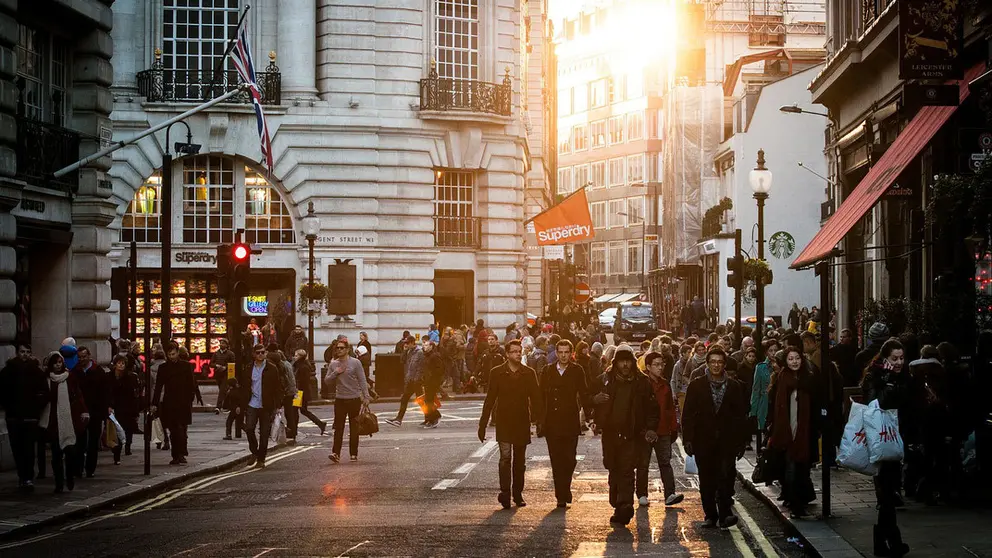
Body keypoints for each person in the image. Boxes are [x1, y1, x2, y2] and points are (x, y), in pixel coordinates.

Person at [682, 346, 748, 529]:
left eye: (719, 362)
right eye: (713, 362)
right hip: (704, 440)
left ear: (724, 364)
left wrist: (742, 441)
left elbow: (740, 415)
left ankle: (726, 513)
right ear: (707, 364)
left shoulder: (734, 386)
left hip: (727, 441)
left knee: (726, 476)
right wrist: (688, 438)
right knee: (707, 478)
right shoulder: (697, 385)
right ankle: (710, 515)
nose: (716, 365)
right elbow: (688, 413)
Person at [593, 344, 659, 525]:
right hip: (610, 434)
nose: (625, 365)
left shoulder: (642, 382)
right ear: (616, 362)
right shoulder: (605, 380)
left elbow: (653, 409)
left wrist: (651, 428)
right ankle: (617, 503)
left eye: (628, 361)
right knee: (613, 468)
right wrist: (594, 404)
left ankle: (625, 505)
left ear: (632, 362)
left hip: (632, 435)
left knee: (627, 471)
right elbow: (590, 398)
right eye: (621, 361)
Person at [861, 339, 912, 557]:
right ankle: (890, 542)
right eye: (894, 358)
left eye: (902, 358)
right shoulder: (875, 376)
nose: (899, 362)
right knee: (887, 494)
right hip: (881, 441)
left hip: (898, 439)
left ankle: (883, 543)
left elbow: (909, 407)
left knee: (889, 494)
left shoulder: (904, 376)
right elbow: (876, 405)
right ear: (884, 358)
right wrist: (889, 381)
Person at [478, 340, 542, 509]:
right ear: (507, 354)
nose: (517, 354)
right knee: (505, 458)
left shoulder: (528, 373)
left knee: (519, 461)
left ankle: (518, 494)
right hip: (504, 421)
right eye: (513, 351)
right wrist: (482, 424)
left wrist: (540, 421)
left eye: (519, 351)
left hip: (522, 421)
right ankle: (505, 493)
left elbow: (536, 399)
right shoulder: (497, 373)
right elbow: (490, 399)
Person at [766, 346, 819, 518]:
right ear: (786, 362)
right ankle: (795, 504)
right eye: (791, 359)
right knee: (790, 470)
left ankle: (799, 503)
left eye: (797, 358)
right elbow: (775, 407)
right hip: (786, 432)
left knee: (802, 469)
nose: (794, 361)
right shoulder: (782, 379)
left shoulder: (809, 379)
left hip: (805, 432)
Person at [538, 339, 591, 508]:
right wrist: (539, 419)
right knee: (556, 459)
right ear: (556, 353)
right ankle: (561, 495)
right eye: (560, 352)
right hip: (552, 422)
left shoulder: (577, 370)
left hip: (570, 420)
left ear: (571, 353)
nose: (563, 355)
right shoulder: (547, 370)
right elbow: (540, 395)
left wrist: (589, 416)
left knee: (569, 459)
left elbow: (584, 393)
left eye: (566, 352)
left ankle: (565, 487)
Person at [638, 351, 685, 507]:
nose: (660, 368)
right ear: (649, 366)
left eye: (662, 364)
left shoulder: (665, 384)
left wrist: (673, 428)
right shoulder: (641, 384)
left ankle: (669, 494)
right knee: (643, 464)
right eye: (656, 365)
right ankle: (642, 494)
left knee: (665, 463)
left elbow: (670, 409)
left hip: (663, 430)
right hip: (645, 431)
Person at [0, 345, 48, 490]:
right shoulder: (8, 371)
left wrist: (37, 405)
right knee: (17, 448)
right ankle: (22, 476)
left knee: (28, 448)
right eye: (22, 352)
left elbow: (44, 392)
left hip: (31, 416)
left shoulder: (36, 371)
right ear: (17, 353)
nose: (25, 355)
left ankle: (28, 477)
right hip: (14, 416)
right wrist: (8, 405)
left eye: (27, 352)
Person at [151, 343, 198, 465]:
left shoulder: (186, 366)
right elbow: (158, 386)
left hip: (183, 402)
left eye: (174, 354)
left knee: (182, 430)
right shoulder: (163, 368)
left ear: (178, 352)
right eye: (169, 354)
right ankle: (176, 455)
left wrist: (190, 399)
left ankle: (182, 453)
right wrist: (154, 403)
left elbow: (191, 384)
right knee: (173, 431)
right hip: (169, 403)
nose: (172, 356)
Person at [324, 339, 370, 463]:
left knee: (354, 428)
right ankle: (336, 453)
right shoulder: (333, 364)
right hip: (340, 399)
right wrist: (335, 372)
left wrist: (366, 397)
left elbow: (362, 380)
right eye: (337, 348)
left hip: (354, 399)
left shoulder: (355, 363)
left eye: (342, 348)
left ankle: (353, 454)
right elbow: (327, 380)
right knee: (338, 428)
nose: (339, 350)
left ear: (347, 349)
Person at [71, 345, 111, 478]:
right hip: (80, 412)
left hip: (95, 412)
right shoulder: (75, 372)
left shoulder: (98, 371)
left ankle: (90, 469)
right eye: (80, 357)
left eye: (84, 356)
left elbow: (104, 393)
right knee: (79, 442)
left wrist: (104, 412)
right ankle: (78, 469)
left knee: (93, 442)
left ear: (89, 356)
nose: (82, 359)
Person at [241, 344, 282, 468]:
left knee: (264, 434)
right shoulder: (248, 368)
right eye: (258, 352)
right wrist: (240, 405)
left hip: (266, 405)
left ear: (266, 354)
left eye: (262, 352)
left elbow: (278, 388)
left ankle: (261, 459)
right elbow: (244, 388)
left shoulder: (272, 368)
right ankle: (254, 452)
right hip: (252, 404)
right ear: (253, 354)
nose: (260, 355)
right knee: (249, 428)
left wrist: (278, 406)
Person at [386, 337, 425, 427]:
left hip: (416, 381)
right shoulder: (409, 351)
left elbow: (421, 368)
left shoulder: (419, 352)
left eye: (407, 343)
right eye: (405, 343)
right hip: (410, 380)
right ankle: (399, 419)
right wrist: (404, 351)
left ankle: (430, 417)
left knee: (420, 401)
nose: (405, 345)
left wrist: (417, 379)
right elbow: (402, 360)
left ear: (412, 342)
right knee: (405, 399)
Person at [110, 354, 141, 465]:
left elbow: (134, 394)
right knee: (117, 431)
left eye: (123, 363)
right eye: (119, 363)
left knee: (128, 429)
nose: (121, 365)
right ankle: (116, 454)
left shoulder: (130, 377)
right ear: (115, 364)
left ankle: (128, 446)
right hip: (115, 408)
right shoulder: (110, 376)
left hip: (128, 407)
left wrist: (136, 411)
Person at [750, 339, 780, 450]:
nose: (773, 353)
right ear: (766, 352)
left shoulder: (783, 366)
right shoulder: (760, 367)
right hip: (764, 403)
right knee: (764, 431)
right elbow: (756, 389)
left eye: (776, 350)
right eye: (770, 350)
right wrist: (753, 411)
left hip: (778, 402)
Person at [293, 349, 326, 435]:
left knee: (297, 411)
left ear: (300, 356)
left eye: (296, 355)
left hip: (300, 393)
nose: (294, 357)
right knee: (301, 411)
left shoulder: (303, 367)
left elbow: (302, 381)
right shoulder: (299, 365)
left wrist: (297, 392)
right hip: (300, 392)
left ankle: (294, 430)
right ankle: (320, 424)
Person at [209, 338, 237, 414]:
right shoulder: (216, 354)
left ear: (227, 345)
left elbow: (233, 364)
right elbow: (211, 364)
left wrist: (226, 367)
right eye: (221, 343)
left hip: (226, 374)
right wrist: (216, 365)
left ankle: (218, 407)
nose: (221, 344)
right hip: (218, 374)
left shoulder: (230, 354)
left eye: (223, 343)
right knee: (223, 391)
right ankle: (227, 406)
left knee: (222, 390)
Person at [421, 340, 445, 428]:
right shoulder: (427, 356)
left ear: (431, 347)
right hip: (427, 381)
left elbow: (440, 369)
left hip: (433, 382)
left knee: (429, 401)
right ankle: (431, 419)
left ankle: (434, 418)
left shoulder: (435, 356)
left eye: (427, 345)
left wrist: (432, 376)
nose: (424, 346)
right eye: (424, 345)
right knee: (427, 401)